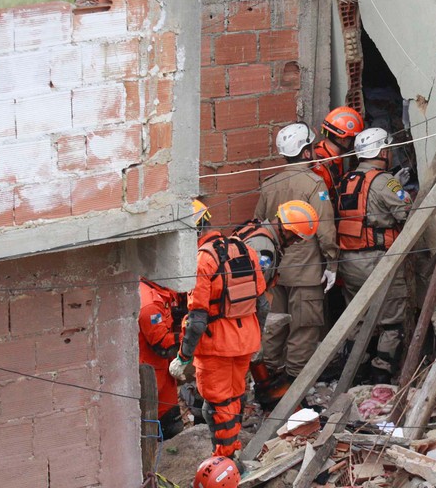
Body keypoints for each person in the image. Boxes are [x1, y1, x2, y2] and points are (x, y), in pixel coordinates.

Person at [253, 124, 337, 406]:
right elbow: (324, 229)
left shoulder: (269, 184)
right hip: (307, 270)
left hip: (274, 272)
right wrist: (332, 263)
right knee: (304, 327)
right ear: (306, 150)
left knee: (273, 326)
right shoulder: (314, 184)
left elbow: (259, 225)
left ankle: (268, 378)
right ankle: (292, 386)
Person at [169, 223, 269, 459]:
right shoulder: (245, 249)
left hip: (217, 347)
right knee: (235, 396)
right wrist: (256, 336)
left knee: (216, 405)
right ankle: (233, 449)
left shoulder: (203, 260)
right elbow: (263, 305)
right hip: (246, 341)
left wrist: (183, 357)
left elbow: (197, 321)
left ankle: (225, 460)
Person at [335, 127, 412, 383]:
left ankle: (356, 373)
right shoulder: (383, 181)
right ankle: (381, 375)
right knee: (391, 320)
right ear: (382, 151)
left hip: (348, 261)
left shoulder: (347, 180)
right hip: (376, 259)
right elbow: (406, 213)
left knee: (357, 317)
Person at [137, 277, 186, 439]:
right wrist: (188, 337)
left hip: (162, 372)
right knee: (152, 428)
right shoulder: (149, 305)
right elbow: (161, 344)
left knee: (172, 424)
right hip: (151, 374)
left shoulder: (163, 291)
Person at [313, 106, 364, 200]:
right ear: (342, 140)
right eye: (353, 140)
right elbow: (321, 201)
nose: (355, 144)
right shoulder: (321, 165)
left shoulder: (333, 156)